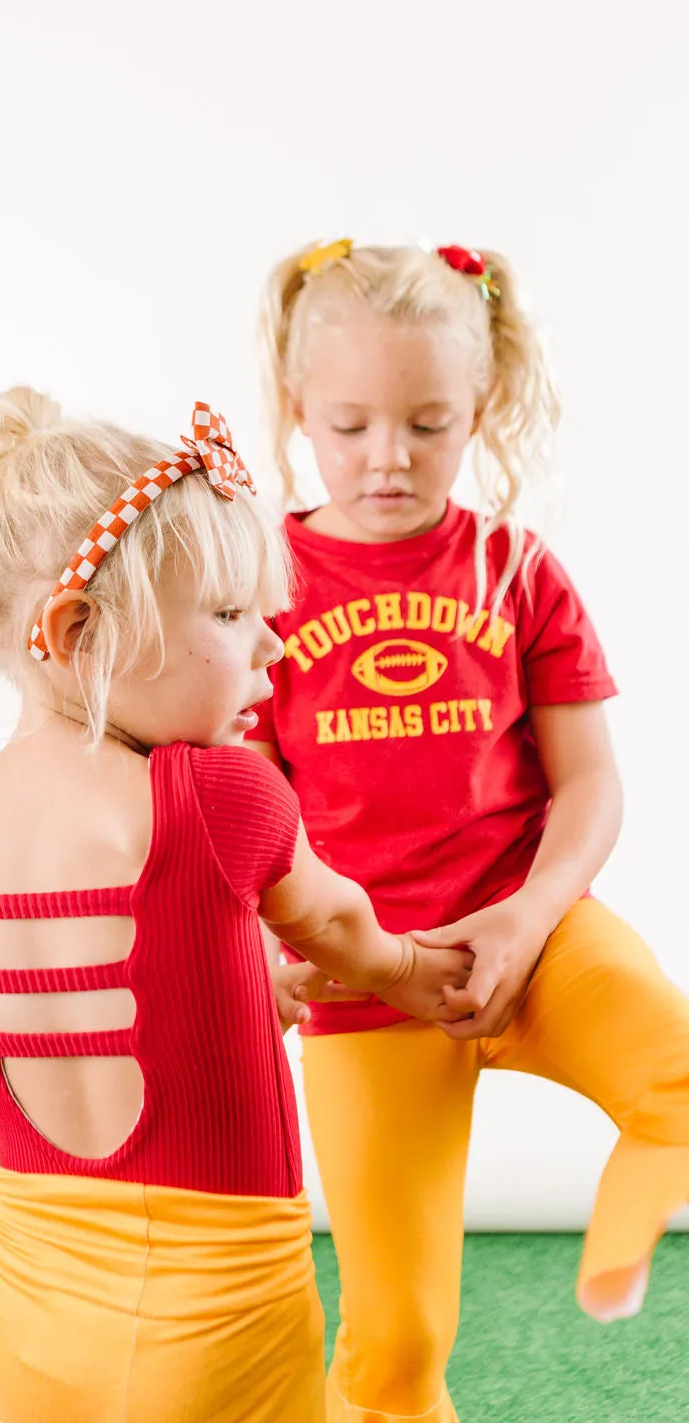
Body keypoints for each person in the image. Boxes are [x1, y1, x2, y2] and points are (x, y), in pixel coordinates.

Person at [0, 388, 471, 1423]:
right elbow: (340, 925)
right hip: (215, 1298)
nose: (270, 648)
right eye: (227, 617)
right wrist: (408, 971)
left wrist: (244, 988)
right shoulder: (214, 794)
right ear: (80, 631)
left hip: (38, 1290)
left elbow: (91, 999)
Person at [251, 237, 689, 1423]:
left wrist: (527, 917)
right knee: (393, 1346)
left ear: (478, 407)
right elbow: (238, 805)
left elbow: (590, 784)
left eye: (426, 422)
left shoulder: (515, 570)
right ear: (297, 408)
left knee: (678, 1078)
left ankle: (618, 1250)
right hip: (361, 985)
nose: (386, 457)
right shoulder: (259, 586)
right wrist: (257, 946)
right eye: (348, 426)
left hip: (533, 934)